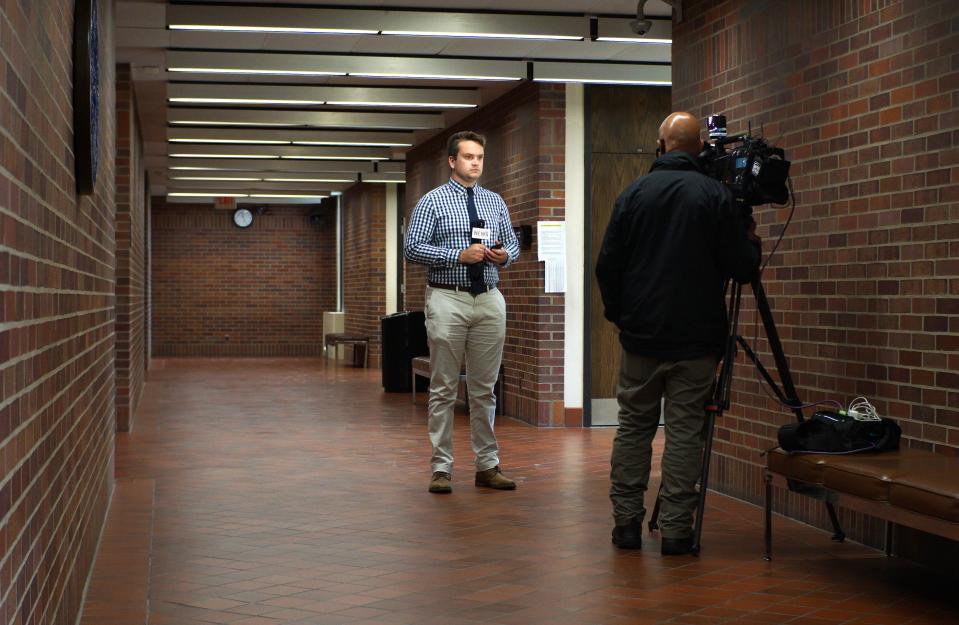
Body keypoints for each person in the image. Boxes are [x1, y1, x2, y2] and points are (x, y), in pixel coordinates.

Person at [595, 112, 761, 555]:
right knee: (686, 432)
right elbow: (742, 269)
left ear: (661, 145)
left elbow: (606, 267)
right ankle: (675, 531)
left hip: (641, 338)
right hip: (697, 340)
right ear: (699, 148)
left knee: (633, 428)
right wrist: (751, 241)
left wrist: (622, 316)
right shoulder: (715, 196)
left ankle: (626, 525)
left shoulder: (633, 195)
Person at [405, 130, 521, 494]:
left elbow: (512, 242)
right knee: (443, 387)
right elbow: (412, 248)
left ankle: (487, 466)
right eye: (468, 157)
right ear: (453, 161)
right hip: (448, 298)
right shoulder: (432, 202)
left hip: (488, 297)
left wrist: (505, 255)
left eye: (479, 157)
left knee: (484, 389)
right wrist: (456, 255)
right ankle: (441, 468)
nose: (475, 163)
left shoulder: (494, 202)